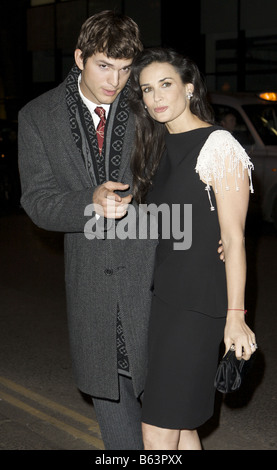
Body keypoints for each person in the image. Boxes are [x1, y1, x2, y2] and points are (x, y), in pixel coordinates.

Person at [18, 12, 224, 450]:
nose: (116, 80)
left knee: (172, 421)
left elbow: (199, 160)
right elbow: (36, 201)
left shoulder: (145, 104)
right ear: (79, 57)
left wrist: (220, 229)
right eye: (104, 66)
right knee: (120, 432)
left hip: (159, 284)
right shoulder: (37, 117)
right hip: (92, 291)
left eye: (125, 67)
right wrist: (86, 202)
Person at [129, 48, 257, 450]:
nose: (156, 97)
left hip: (197, 305)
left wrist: (235, 316)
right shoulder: (157, 146)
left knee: (157, 429)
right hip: (164, 299)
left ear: (189, 87)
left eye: (165, 84)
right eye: (147, 89)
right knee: (181, 426)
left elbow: (234, 239)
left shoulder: (219, 145)